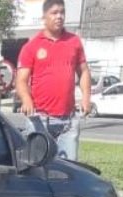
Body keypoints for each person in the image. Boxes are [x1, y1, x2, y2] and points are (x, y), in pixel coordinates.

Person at [16, 0, 90, 160]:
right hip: (40, 120)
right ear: (44, 17)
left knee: (69, 169)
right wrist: (26, 99)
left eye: (62, 12)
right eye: (54, 13)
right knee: (38, 168)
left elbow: (83, 71)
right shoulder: (32, 46)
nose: (59, 16)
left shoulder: (74, 42)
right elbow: (21, 80)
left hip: (68, 121)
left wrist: (86, 98)